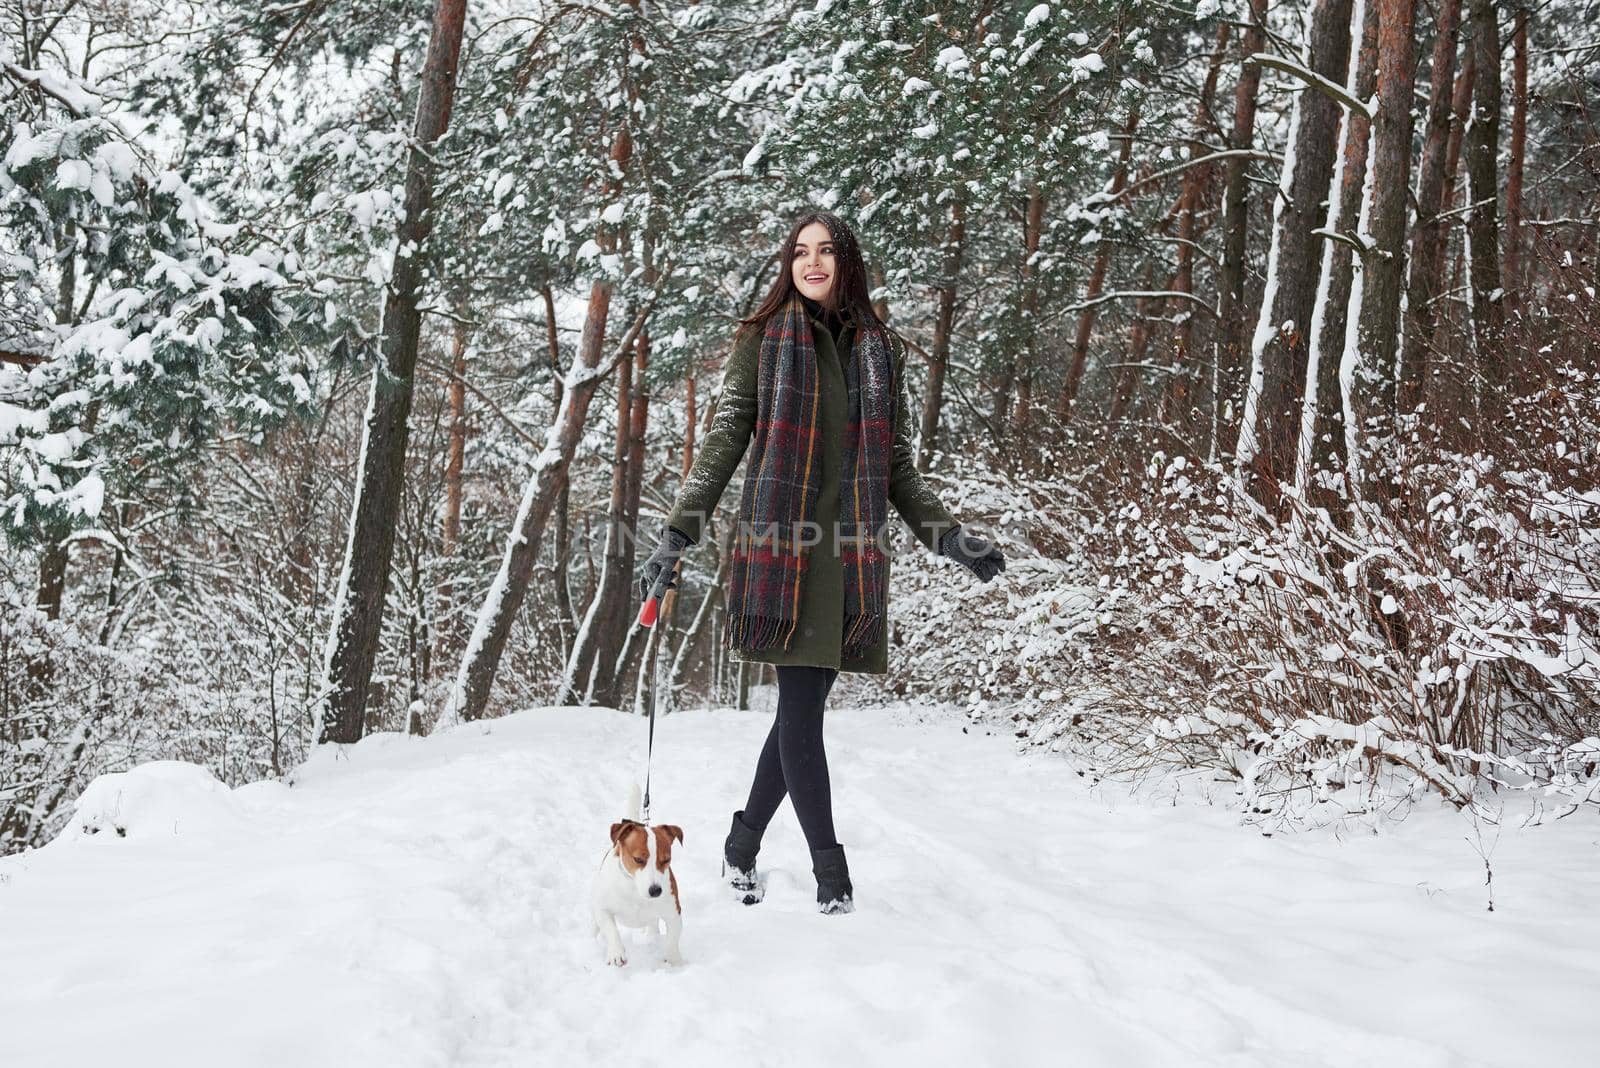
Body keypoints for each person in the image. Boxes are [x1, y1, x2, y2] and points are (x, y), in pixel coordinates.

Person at [638, 211, 1005, 915]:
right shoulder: (761, 342)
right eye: (799, 252)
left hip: (852, 560)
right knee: (802, 715)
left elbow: (895, 465)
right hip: (783, 554)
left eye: (825, 250)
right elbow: (723, 442)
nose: (811, 262)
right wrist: (676, 535)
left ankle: (742, 845)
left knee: (796, 719)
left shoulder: (879, 350)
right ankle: (831, 878)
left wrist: (949, 537)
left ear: (846, 261)